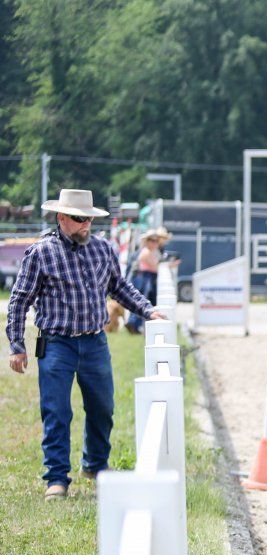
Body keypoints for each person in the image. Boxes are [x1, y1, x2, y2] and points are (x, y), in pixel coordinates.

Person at [6, 189, 166, 500]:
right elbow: (19, 301)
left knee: (103, 407)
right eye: (80, 219)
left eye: (89, 219)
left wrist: (147, 309)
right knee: (56, 411)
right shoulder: (41, 253)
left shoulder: (103, 250)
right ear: (61, 217)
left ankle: (95, 465)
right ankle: (56, 477)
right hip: (56, 344)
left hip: (94, 342)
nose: (86, 225)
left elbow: (118, 286)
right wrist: (16, 345)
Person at [125, 230, 162, 333]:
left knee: (142, 299)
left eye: (156, 241)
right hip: (145, 277)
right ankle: (133, 323)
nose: (155, 243)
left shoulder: (149, 251)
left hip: (145, 277)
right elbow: (155, 267)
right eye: (152, 240)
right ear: (147, 241)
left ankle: (133, 323)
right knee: (143, 299)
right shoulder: (146, 252)